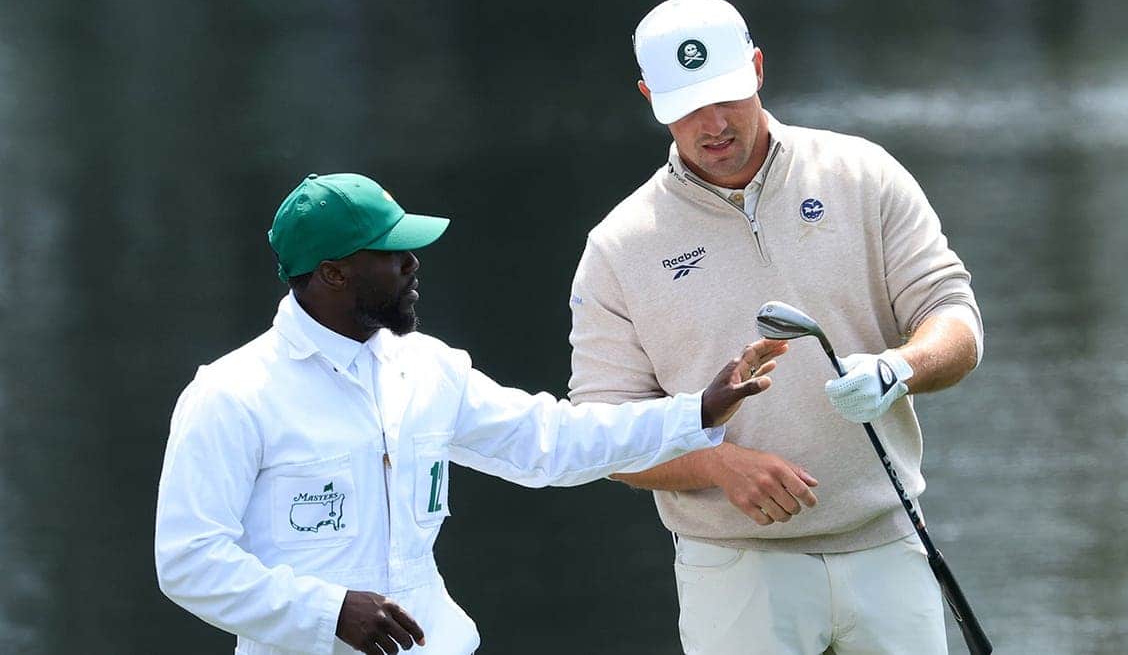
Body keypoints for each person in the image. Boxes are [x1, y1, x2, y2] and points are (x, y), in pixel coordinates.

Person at [154, 172, 788, 655]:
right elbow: (189, 561)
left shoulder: (428, 369)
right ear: (333, 274)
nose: (413, 264)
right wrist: (326, 612)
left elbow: (551, 442)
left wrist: (695, 410)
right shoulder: (232, 394)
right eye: (392, 253)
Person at [567, 0, 984, 655]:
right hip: (732, 568)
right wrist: (718, 464)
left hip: (886, 543)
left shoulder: (861, 174)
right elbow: (599, 428)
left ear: (757, 68)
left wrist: (898, 369)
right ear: (649, 94)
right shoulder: (619, 244)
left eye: (727, 96)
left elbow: (954, 319)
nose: (713, 124)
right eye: (686, 106)